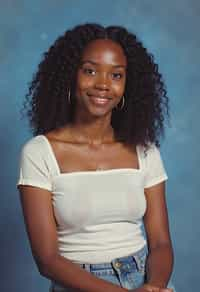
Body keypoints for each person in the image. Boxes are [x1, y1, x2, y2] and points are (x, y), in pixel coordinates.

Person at [17, 23, 176, 292]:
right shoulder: (40, 153)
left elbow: (160, 242)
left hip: (145, 280)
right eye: (90, 71)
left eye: (116, 75)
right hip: (79, 284)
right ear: (70, 76)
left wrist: (156, 285)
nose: (103, 84)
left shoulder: (144, 150)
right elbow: (47, 260)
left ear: (128, 85)